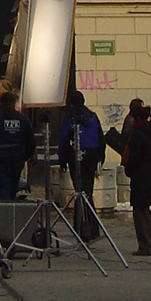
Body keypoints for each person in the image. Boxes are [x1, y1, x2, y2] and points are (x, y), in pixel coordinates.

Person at [57, 94, 105, 241]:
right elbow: (101, 138)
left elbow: (64, 139)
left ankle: (83, 227)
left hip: (75, 155)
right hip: (91, 156)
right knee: (87, 190)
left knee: (80, 191)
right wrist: (100, 158)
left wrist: (62, 161)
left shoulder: (70, 118)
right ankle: (90, 226)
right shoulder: (92, 116)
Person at [0, 90, 36, 201]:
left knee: (2, 190)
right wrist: (24, 157)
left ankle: (4, 214)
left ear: (1, 103)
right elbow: (31, 141)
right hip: (17, 159)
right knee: (12, 189)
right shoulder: (23, 119)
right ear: (14, 103)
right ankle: (10, 212)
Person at [123, 106, 151, 256]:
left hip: (141, 175)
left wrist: (129, 169)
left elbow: (134, 157)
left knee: (140, 211)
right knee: (145, 210)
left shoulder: (138, 135)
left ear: (137, 118)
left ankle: (147, 244)